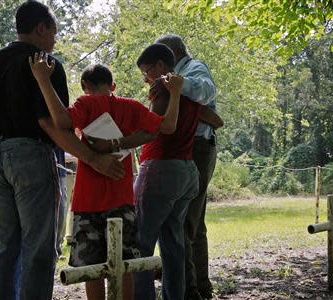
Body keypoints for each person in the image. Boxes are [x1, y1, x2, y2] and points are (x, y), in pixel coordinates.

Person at [0, 2, 124, 299]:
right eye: (54, 31)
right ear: (41, 28)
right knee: (38, 247)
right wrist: (93, 159)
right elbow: (51, 124)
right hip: (31, 156)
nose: (55, 39)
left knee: (4, 247)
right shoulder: (45, 64)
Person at [28, 59, 183, 300]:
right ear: (113, 85)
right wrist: (175, 93)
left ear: (84, 86)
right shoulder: (130, 106)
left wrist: (43, 80)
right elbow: (169, 126)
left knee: (93, 269)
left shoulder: (86, 103)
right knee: (124, 266)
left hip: (87, 201)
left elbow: (60, 121)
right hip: (122, 199)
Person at [155, 34, 223, 300]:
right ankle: (199, 286)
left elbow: (205, 92)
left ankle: (185, 291)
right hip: (187, 147)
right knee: (193, 221)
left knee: (181, 221)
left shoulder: (193, 69)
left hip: (196, 148)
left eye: (158, 61)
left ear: (170, 56)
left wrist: (173, 85)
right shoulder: (176, 74)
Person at [132, 43, 200, 300]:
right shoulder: (189, 88)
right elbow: (213, 119)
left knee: (142, 243)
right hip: (186, 168)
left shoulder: (162, 86)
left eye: (146, 71)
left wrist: (120, 140)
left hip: (160, 168)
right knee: (173, 244)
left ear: (160, 65)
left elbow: (154, 126)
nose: (146, 79)